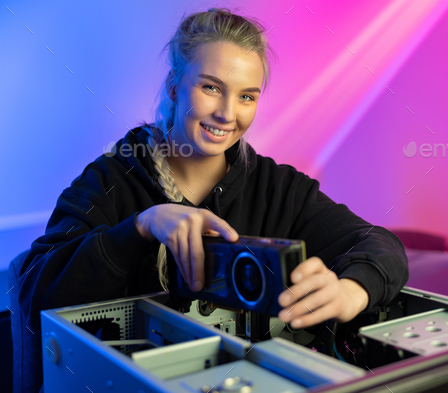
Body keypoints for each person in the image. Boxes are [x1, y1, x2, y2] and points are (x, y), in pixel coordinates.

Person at [17, 5, 408, 370]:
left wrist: (352, 289)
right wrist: (140, 226)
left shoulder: (280, 188)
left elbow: (379, 245)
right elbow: (36, 291)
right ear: (174, 87)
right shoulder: (108, 180)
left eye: (246, 97)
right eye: (210, 88)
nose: (227, 113)